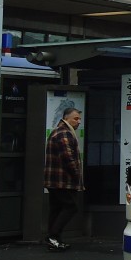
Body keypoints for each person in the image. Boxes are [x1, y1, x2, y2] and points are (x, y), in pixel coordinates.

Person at [44, 107, 83, 251]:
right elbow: (68, 157)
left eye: (79, 119)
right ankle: (53, 237)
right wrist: (77, 175)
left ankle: (54, 239)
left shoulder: (58, 131)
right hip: (62, 180)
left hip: (54, 180)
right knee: (71, 206)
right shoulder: (64, 133)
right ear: (66, 118)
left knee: (56, 208)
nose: (78, 122)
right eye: (75, 118)